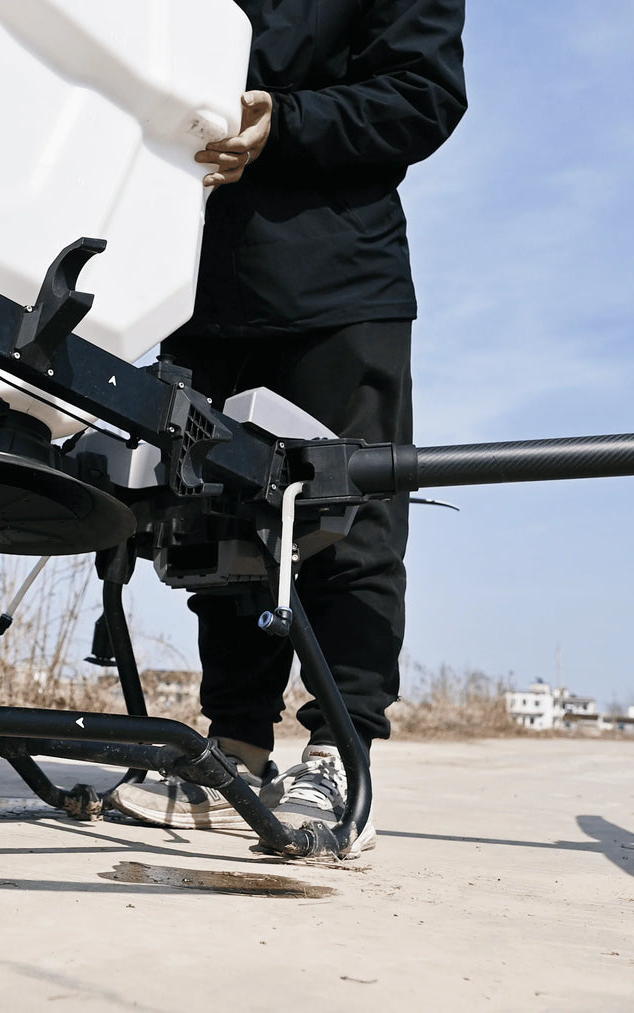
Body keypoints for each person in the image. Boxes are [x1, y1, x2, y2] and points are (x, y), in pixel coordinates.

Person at [108, 0, 467, 854]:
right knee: (214, 520)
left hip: (338, 285)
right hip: (195, 281)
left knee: (351, 524)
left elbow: (424, 95)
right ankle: (234, 746)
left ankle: (341, 753)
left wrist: (288, 120)